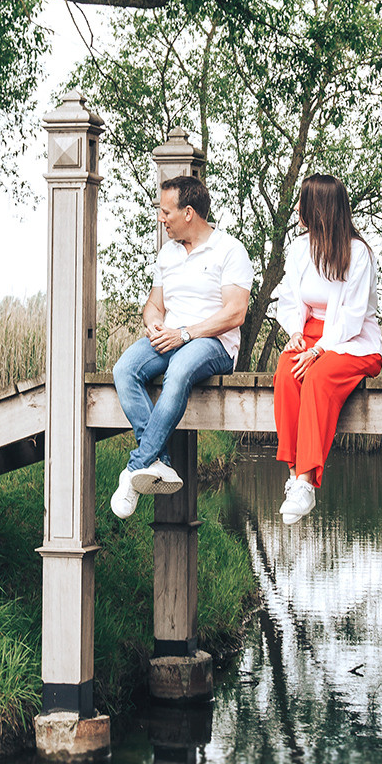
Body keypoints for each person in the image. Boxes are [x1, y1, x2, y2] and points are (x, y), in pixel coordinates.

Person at [110, 175, 254, 519]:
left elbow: (235, 313)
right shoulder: (167, 253)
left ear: (189, 212)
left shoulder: (230, 250)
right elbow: (154, 304)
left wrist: (185, 334)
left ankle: (134, 471)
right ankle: (157, 462)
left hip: (212, 344)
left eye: (166, 211)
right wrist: (153, 323)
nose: (162, 218)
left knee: (179, 370)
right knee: (124, 369)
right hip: (171, 336)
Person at [271, 174, 382, 524]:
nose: (299, 211)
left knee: (317, 378)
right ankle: (293, 475)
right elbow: (289, 297)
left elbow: (352, 317)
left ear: (317, 209)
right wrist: (294, 333)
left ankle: (307, 481)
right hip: (309, 335)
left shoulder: (357, 252)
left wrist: (321, 350)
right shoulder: (299, 248)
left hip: (353, 341)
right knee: (286, 371)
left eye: (303, 203)